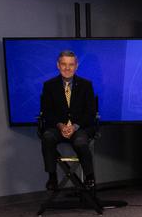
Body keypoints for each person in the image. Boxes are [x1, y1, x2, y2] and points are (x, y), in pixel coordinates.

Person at [39, 50, 98, 190]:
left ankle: (89, 176)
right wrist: (61, 126)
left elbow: (90, 112)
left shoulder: (86, 85)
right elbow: (47, 112)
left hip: (79, 127)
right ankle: (52, 177)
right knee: (47, 137)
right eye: (64, 64)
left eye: (71, 65)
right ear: (58, 65)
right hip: (58, 128)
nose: (67, 68)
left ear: (76, 66)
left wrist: (75, 127)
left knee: (80, 142)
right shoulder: (49, 86)